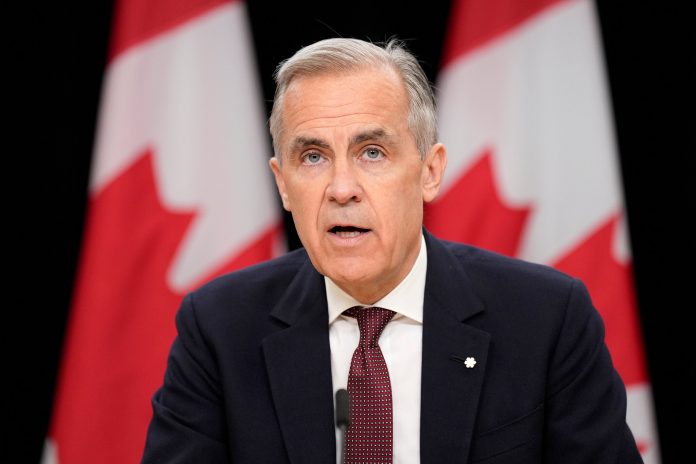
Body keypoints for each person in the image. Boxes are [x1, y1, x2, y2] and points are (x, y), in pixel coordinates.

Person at [142, 38, 642, 463]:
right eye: (312, 157)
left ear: (430, 171)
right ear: (283, 185)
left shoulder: (545, 319)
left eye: (372, 152)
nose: (342, 189)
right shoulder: (219, 329)